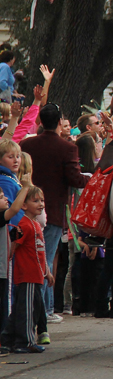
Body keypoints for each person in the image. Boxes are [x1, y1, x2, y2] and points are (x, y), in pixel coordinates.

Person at [20, 104, 89, 324]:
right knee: (45, 260)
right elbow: (74, 178)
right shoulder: (67, 148)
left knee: (36, 260)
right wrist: (93, 178)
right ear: (60, 122)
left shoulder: (26, 144)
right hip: (53, 211)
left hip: (25, 209)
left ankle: (46, 309)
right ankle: (40, 313)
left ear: (40, 122)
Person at [0, 186, 53, 354]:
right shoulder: (24, 224)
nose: (40, 204)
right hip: (27, 275)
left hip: (36, 275)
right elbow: (13, 244)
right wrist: (9, 257)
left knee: (22, 308)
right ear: (24, 205)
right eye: (35, 201)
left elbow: (41, 252)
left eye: (42, 200)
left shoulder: (36, 224)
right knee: (28, 310)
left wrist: (47, 272)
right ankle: (25, 341)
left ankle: (8, 338)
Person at [0, 139, 27, 333]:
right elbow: (13, 211)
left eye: (18, 156)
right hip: (11, 237)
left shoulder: (12, 178)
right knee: (8, 289)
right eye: (10, 157)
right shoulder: (4, 180)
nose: (16, 160)